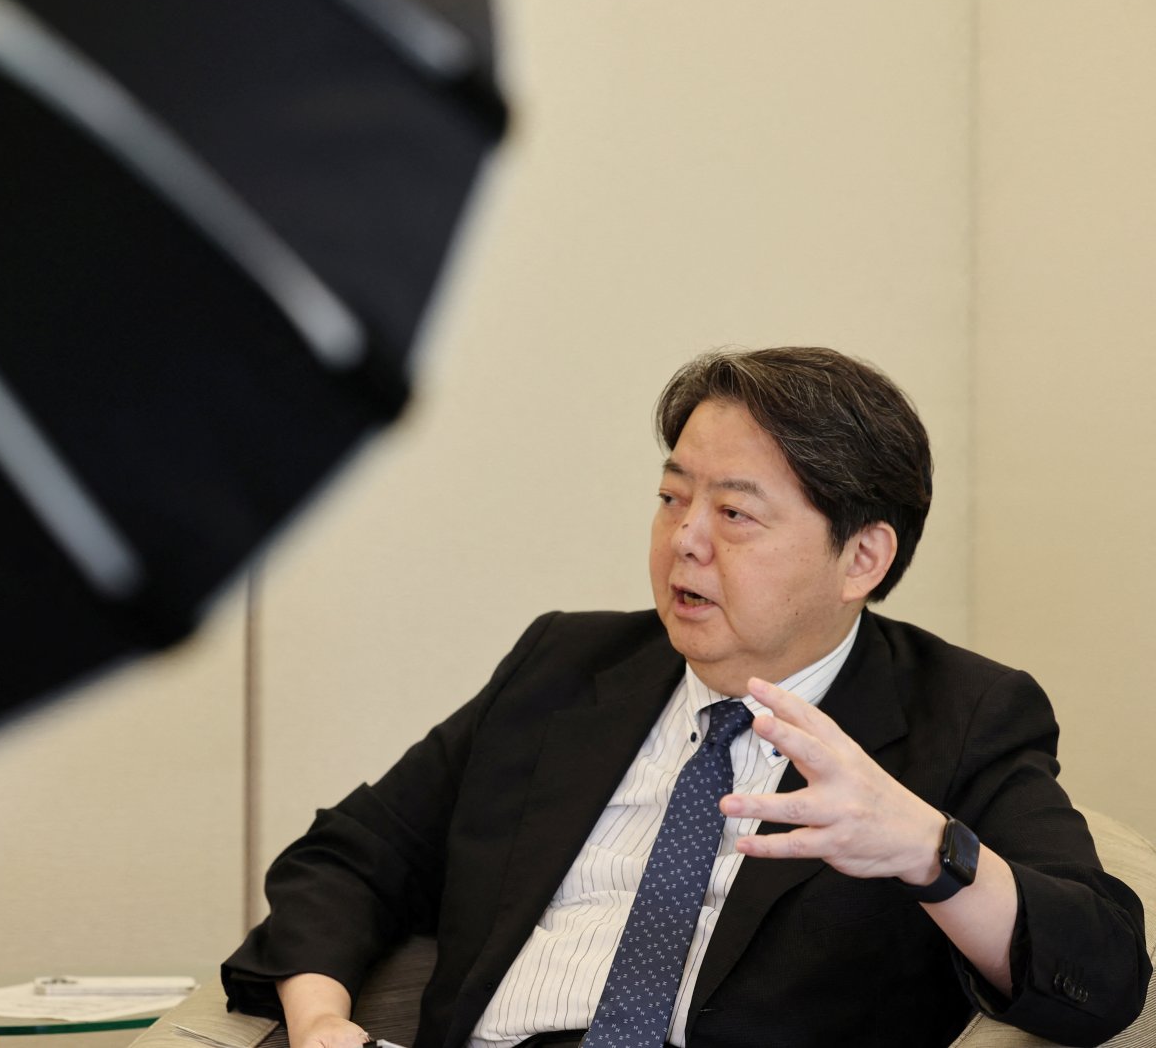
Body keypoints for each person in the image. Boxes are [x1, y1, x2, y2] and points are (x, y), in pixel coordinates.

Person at [221, 347, 1150, 1048]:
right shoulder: (566, 666)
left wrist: (926, 851)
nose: (684, 542)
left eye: (735, 515)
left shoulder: (963, 714)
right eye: (673, 500)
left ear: (863, 557)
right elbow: (348, 858)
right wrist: (320, 1021)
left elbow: (1103, 973)